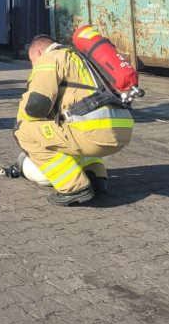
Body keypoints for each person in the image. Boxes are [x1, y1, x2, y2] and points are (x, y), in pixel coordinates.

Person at [7, 34, 134, 206]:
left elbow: (36, 105)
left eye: (31, 61)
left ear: (37, 52)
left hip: (95, 133)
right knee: (69, 130)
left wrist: (22, 122)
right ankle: (95, 178)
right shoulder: (82, 59)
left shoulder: (50, 58)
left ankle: (74, 187)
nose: (32, 65)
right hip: (121, 130)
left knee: (23, 132)